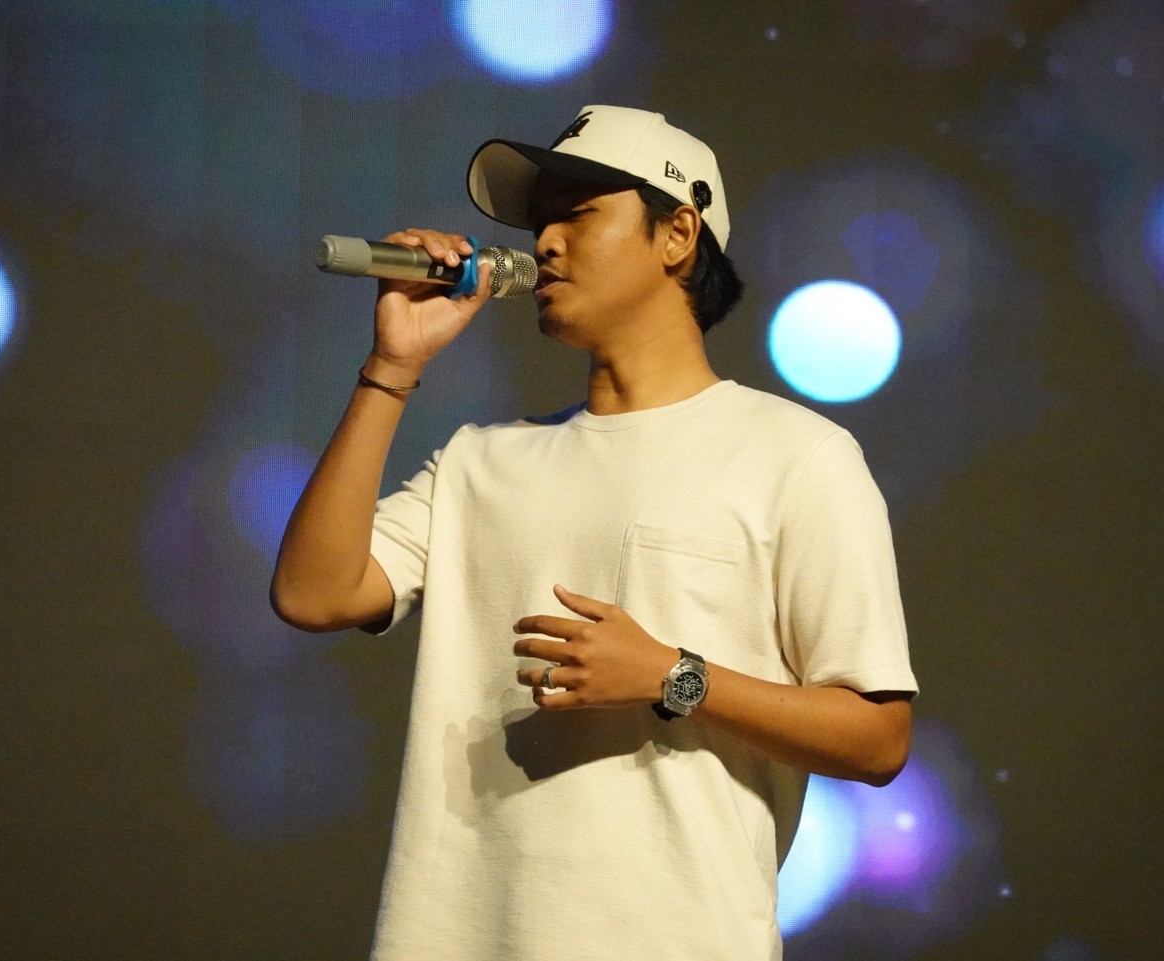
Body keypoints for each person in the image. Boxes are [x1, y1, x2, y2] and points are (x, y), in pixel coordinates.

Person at [270, 105, 917, 961]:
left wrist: (671, 675)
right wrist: (393, 365)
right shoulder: (480, 461)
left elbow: (877, 737)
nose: (544, 242)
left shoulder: (796, 456)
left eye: (577, 214)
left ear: (677, 234)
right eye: (540, 222)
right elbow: (311, 593)